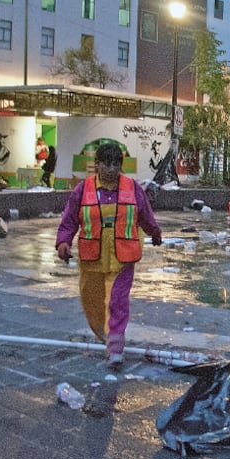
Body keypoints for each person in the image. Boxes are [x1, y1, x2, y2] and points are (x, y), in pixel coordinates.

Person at [55, 143, 163, 369]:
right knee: (91, 300)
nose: (111, 169)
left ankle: (115, 346)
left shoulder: (133, 189)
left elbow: (145, 215)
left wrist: (155, 233)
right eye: (106, 163)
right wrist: (63, 242)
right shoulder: (82, 190)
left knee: (117, 301)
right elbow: (69, 220)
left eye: (116, 164)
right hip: (92, 257)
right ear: (98, 164)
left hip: (122, 258)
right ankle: (104, 335)